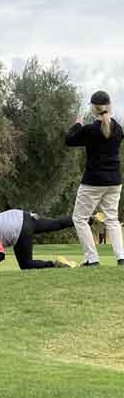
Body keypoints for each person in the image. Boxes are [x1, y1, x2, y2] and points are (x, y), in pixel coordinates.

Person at [65, 90, 124, 267]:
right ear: (109, 107)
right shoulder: (118, 129)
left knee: (79, 219)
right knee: (112, 219)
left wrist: (77, 124)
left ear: (93, 108)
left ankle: (92, 259)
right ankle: (121, 258)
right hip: (114, 181)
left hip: (93, 181)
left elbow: (69, 140)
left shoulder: (89, 130)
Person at [0, 210, 76, 269]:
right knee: (55, 224)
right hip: (24, 216)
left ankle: (55, 265)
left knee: (26, 264)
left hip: (19, 227)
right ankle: (80, 219)